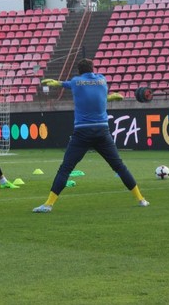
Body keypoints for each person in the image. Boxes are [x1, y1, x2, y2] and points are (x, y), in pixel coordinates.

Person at [33, 58, 149, 213]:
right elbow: (97, 99)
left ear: (79, 71)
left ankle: (48, 204)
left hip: (82, 132)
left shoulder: (76, 81)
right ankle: (141, 199)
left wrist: (58, 83)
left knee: (65, 168)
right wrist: (110, 97)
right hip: (102, 131)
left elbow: (69, 85)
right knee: (119, 167)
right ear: (92, 69)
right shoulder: (102, 80)